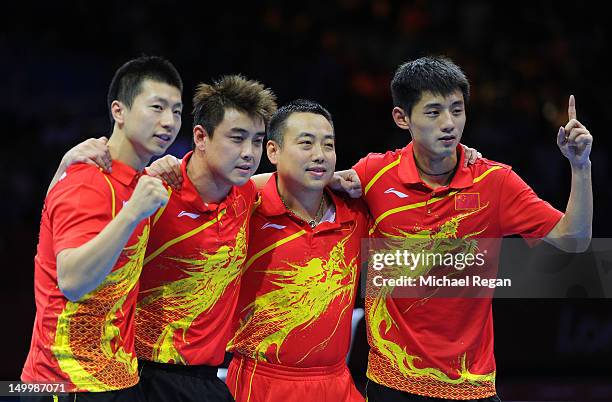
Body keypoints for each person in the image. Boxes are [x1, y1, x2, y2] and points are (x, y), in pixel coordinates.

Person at [350, 56, 592, 401]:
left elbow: (575, 241)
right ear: (402, 118)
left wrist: (580, 166)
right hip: (392, 383)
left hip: (470, 385)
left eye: (457, 110)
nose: (449, 123)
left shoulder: (495, 181)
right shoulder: (372, 174)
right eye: (433, 113)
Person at [21, 55, 183, 401]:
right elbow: (73, 282)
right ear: (118, 111)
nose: (169, 121)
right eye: (156, 107)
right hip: (59, 386)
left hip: (119, 381)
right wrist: (132, 213)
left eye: (177, 111)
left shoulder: (140, 182)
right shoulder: (88, 182)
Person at [133, 75, 276, 402]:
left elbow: (289, 181)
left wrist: (337, 178)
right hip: (143, 376)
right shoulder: (153, 193)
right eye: (237, 138)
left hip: (205, 379)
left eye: (257, 141)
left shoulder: (245, 195)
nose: (249, 153)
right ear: (200, 136)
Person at [225, 100, 370, 402]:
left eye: (328, 145)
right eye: (306, 144)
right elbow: (204, 179)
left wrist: (463, 158)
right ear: (273, 152)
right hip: (260, 383)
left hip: (337, 383)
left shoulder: (356, 212)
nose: (319, 155)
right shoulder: (246, 207)